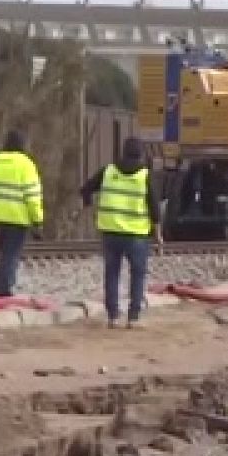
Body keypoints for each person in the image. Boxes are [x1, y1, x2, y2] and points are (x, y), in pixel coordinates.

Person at [80, 137, 162, 328]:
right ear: (141, 154)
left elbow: (85, 189)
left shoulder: (108, 171)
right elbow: (155, 209)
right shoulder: (145, 175)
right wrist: (158, 234)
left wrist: (88, 207)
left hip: (111, 233)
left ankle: (113, 317)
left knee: (112, 274)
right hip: (136, 235)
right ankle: (133, 317)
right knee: (138, 275)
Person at [0, 130, 45, 298]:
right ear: (23, 145)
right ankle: (2, 292)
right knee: (10, 255)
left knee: (4, 252)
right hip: (17, 217)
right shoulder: (26, 164)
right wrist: (38, 220)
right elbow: (32, 196)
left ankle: (0, 289)